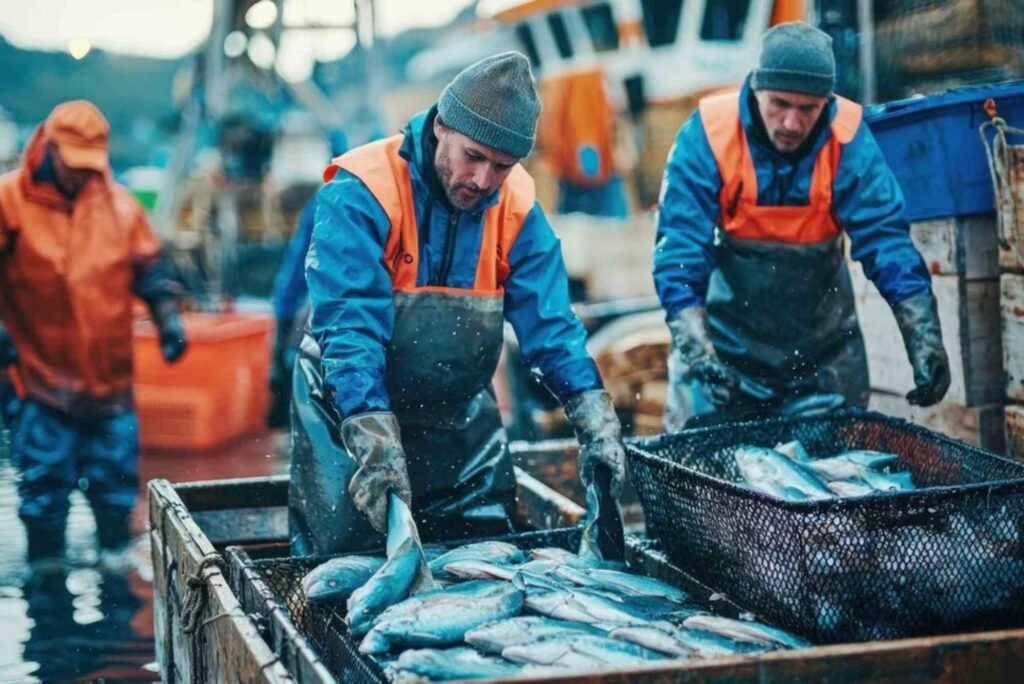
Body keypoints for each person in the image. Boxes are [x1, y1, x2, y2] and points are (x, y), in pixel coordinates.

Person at [289, 52, 626, 554]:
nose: (484, 180)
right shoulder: (362, 191)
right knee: (349, 565)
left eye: (503, 166)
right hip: (348, 413)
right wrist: (372, 435)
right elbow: (351, 326)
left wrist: (592, 412)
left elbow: (552, 327)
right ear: (441, 127)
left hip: (457, 416)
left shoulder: (517, 208)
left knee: (486, 549)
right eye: (474, 156)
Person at [653, 22, 950, 431]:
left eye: (808, 108)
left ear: (827, 102)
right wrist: (698, 352)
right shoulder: (708, 134)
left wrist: (924, 337)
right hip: (723, 357)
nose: (791, 122)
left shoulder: (848, 138)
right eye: (779, 103)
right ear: (755, 89)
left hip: (821, 362)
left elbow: (885, 240)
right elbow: (680, 249)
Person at [0, 101, 188, 565]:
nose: (81, 173)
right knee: (43, 497)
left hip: (110, 387)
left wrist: (168, 320)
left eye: (89, 163)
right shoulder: (8, 200)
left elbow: (151, 272)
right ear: (48, 148)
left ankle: (116, 583)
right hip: (36, 383)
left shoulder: (121, 206)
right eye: (73, 161)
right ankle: (46, 588)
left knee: (116, 495)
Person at [267, 131, 349, 429]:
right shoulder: (327, 201)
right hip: (317, 320)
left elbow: (293, 272)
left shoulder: (326, 198)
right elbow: (295, 272)